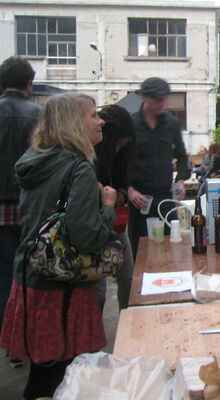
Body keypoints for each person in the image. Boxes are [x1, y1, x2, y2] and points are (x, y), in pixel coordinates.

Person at [0, 92, 117, 400]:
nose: (101, 121)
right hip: (64, 287)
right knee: (66, 379)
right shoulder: (78, 168)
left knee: (43, 375)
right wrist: (107, 206)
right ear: (73, 123)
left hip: (32, 278)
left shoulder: (35, 162)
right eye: (93, 115)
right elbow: (87, 238)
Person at [0, 56, 41, 367]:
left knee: (4, 277)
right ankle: (29, 339)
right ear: (29, 83)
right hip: (30, 206)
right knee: (30, 275)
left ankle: (10, 345)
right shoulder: (38, 115)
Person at [127, 77, 190, 259]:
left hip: (165, 198)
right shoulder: (131, 124)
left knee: (171, 248)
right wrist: (129, 190)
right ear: (144, 97)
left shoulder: (171, 124)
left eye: (164, 99)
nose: (162, 103)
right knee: (141, 252)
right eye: (157, 99)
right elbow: (120, 162)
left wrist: (180, 180)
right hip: (140, 201)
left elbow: (182, 157)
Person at [95, 104, 136, 311]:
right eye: (117, 145)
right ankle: (93, 332)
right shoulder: (88, 157)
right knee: (98, 290)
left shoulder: (121, 156)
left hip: (116, 223)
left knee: (128, 277)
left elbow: (125, 180)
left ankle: (128, 325)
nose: (118, 150)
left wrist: (121, 193)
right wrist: (103, 198)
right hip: (94, 226)